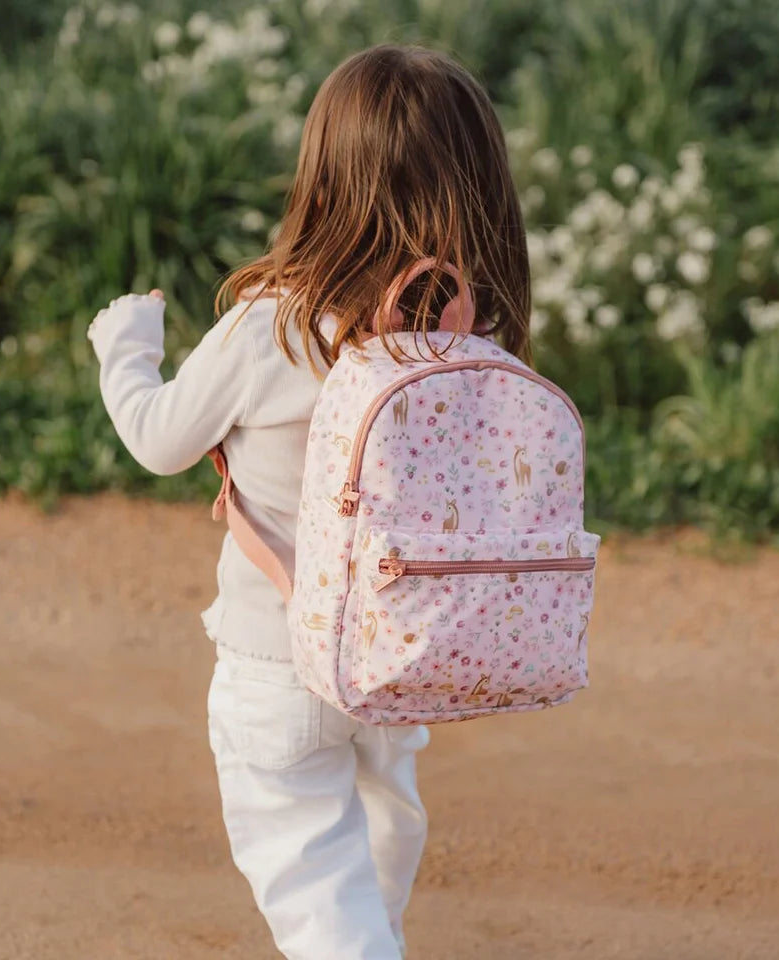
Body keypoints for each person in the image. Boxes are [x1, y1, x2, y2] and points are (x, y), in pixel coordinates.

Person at [88, 43, 531, 960]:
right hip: (397, 660)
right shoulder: (468, 333)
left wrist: (124, 349)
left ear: (323, 176)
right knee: (376, 855)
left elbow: (158, 438)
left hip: (278, 662)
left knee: (314, 882)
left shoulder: (273, 326)